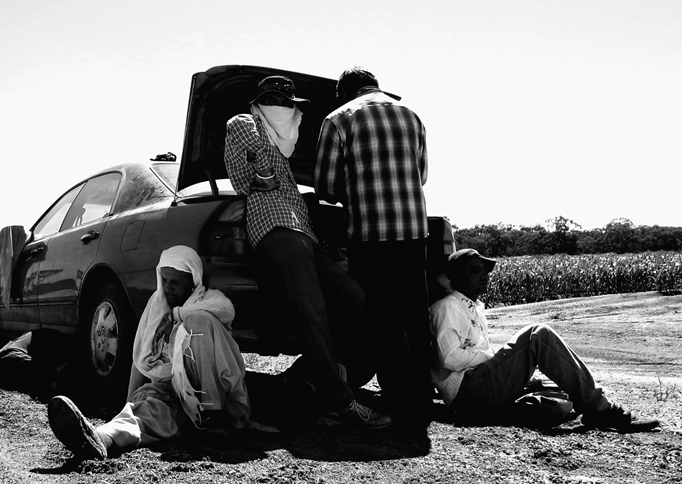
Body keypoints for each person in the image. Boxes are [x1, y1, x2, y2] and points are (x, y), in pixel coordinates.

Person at [223, 75, 390, 429]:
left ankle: (299, 380)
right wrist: (262, 170)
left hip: (304, 237)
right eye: (275, 101)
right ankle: (339, 402)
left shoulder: (283, 151)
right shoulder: (246, 123)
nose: (283, 110)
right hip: (275, 231)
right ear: (261, 103)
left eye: (286, 103)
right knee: (312, 311)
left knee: (352, 299)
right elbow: (240, 179)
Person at [46, 245, 275, 460]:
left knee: (198, 320)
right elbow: (140, 360)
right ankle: (100, 439)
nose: (168, 287)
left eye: (175, 282)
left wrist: (176, 315)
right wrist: (126, 403)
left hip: (217, 398)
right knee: (140, 415)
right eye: (163, 280)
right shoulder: (155, 305)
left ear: (193, 280)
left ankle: (214, 416)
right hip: (173, 394)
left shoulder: (209, 300)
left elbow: (227, 310)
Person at [314, 67, 433, 428]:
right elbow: (422, 174)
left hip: (369, 235)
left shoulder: (337, 120)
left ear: (343, 93)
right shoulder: (411, 116)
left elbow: (325, 186)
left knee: (382, 319)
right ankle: (420, 399)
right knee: (413, 315)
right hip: (413, 232)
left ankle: (399, 404)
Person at [430, 248, 660, 433]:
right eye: (475, 270)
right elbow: (450, 358)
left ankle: (500, 413)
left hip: (480, 386)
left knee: (562, 397)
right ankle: (600, 409)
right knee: (537, 335)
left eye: (485, 271)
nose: (484, 276)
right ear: (455, 277)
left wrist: (503, 365)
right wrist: (495, 358)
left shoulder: (473, 308)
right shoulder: (448, 306)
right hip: (467, 391)